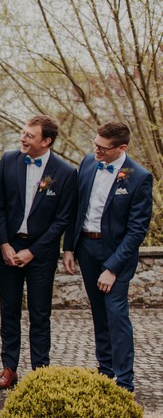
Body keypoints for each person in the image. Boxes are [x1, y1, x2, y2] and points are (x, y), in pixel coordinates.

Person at [63, 122, 153, 392]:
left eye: (103, 147)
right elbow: (76, 207)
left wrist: (112, 268)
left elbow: (137, 230)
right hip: (87, 249)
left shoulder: (139, 176)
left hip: (117, 254)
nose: (96, 150)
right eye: (95, 144)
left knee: (116, 313)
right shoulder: (89, 162)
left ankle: (124, 381)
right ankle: (105, 372)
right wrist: (69, 247)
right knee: (99, 314)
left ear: (122, 148)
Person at [0, 115, 76, 389]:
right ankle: (9, 368)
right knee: (9, 311)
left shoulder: (64, 173)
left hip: (41, 254)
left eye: (29, 135)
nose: (23, 138)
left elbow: (63, 220)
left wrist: (34, 252)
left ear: (46, 141)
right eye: (23, 133)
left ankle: (40, 372)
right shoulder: (8, 160)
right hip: (8, 249)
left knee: (40, 314)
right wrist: (4, 244)